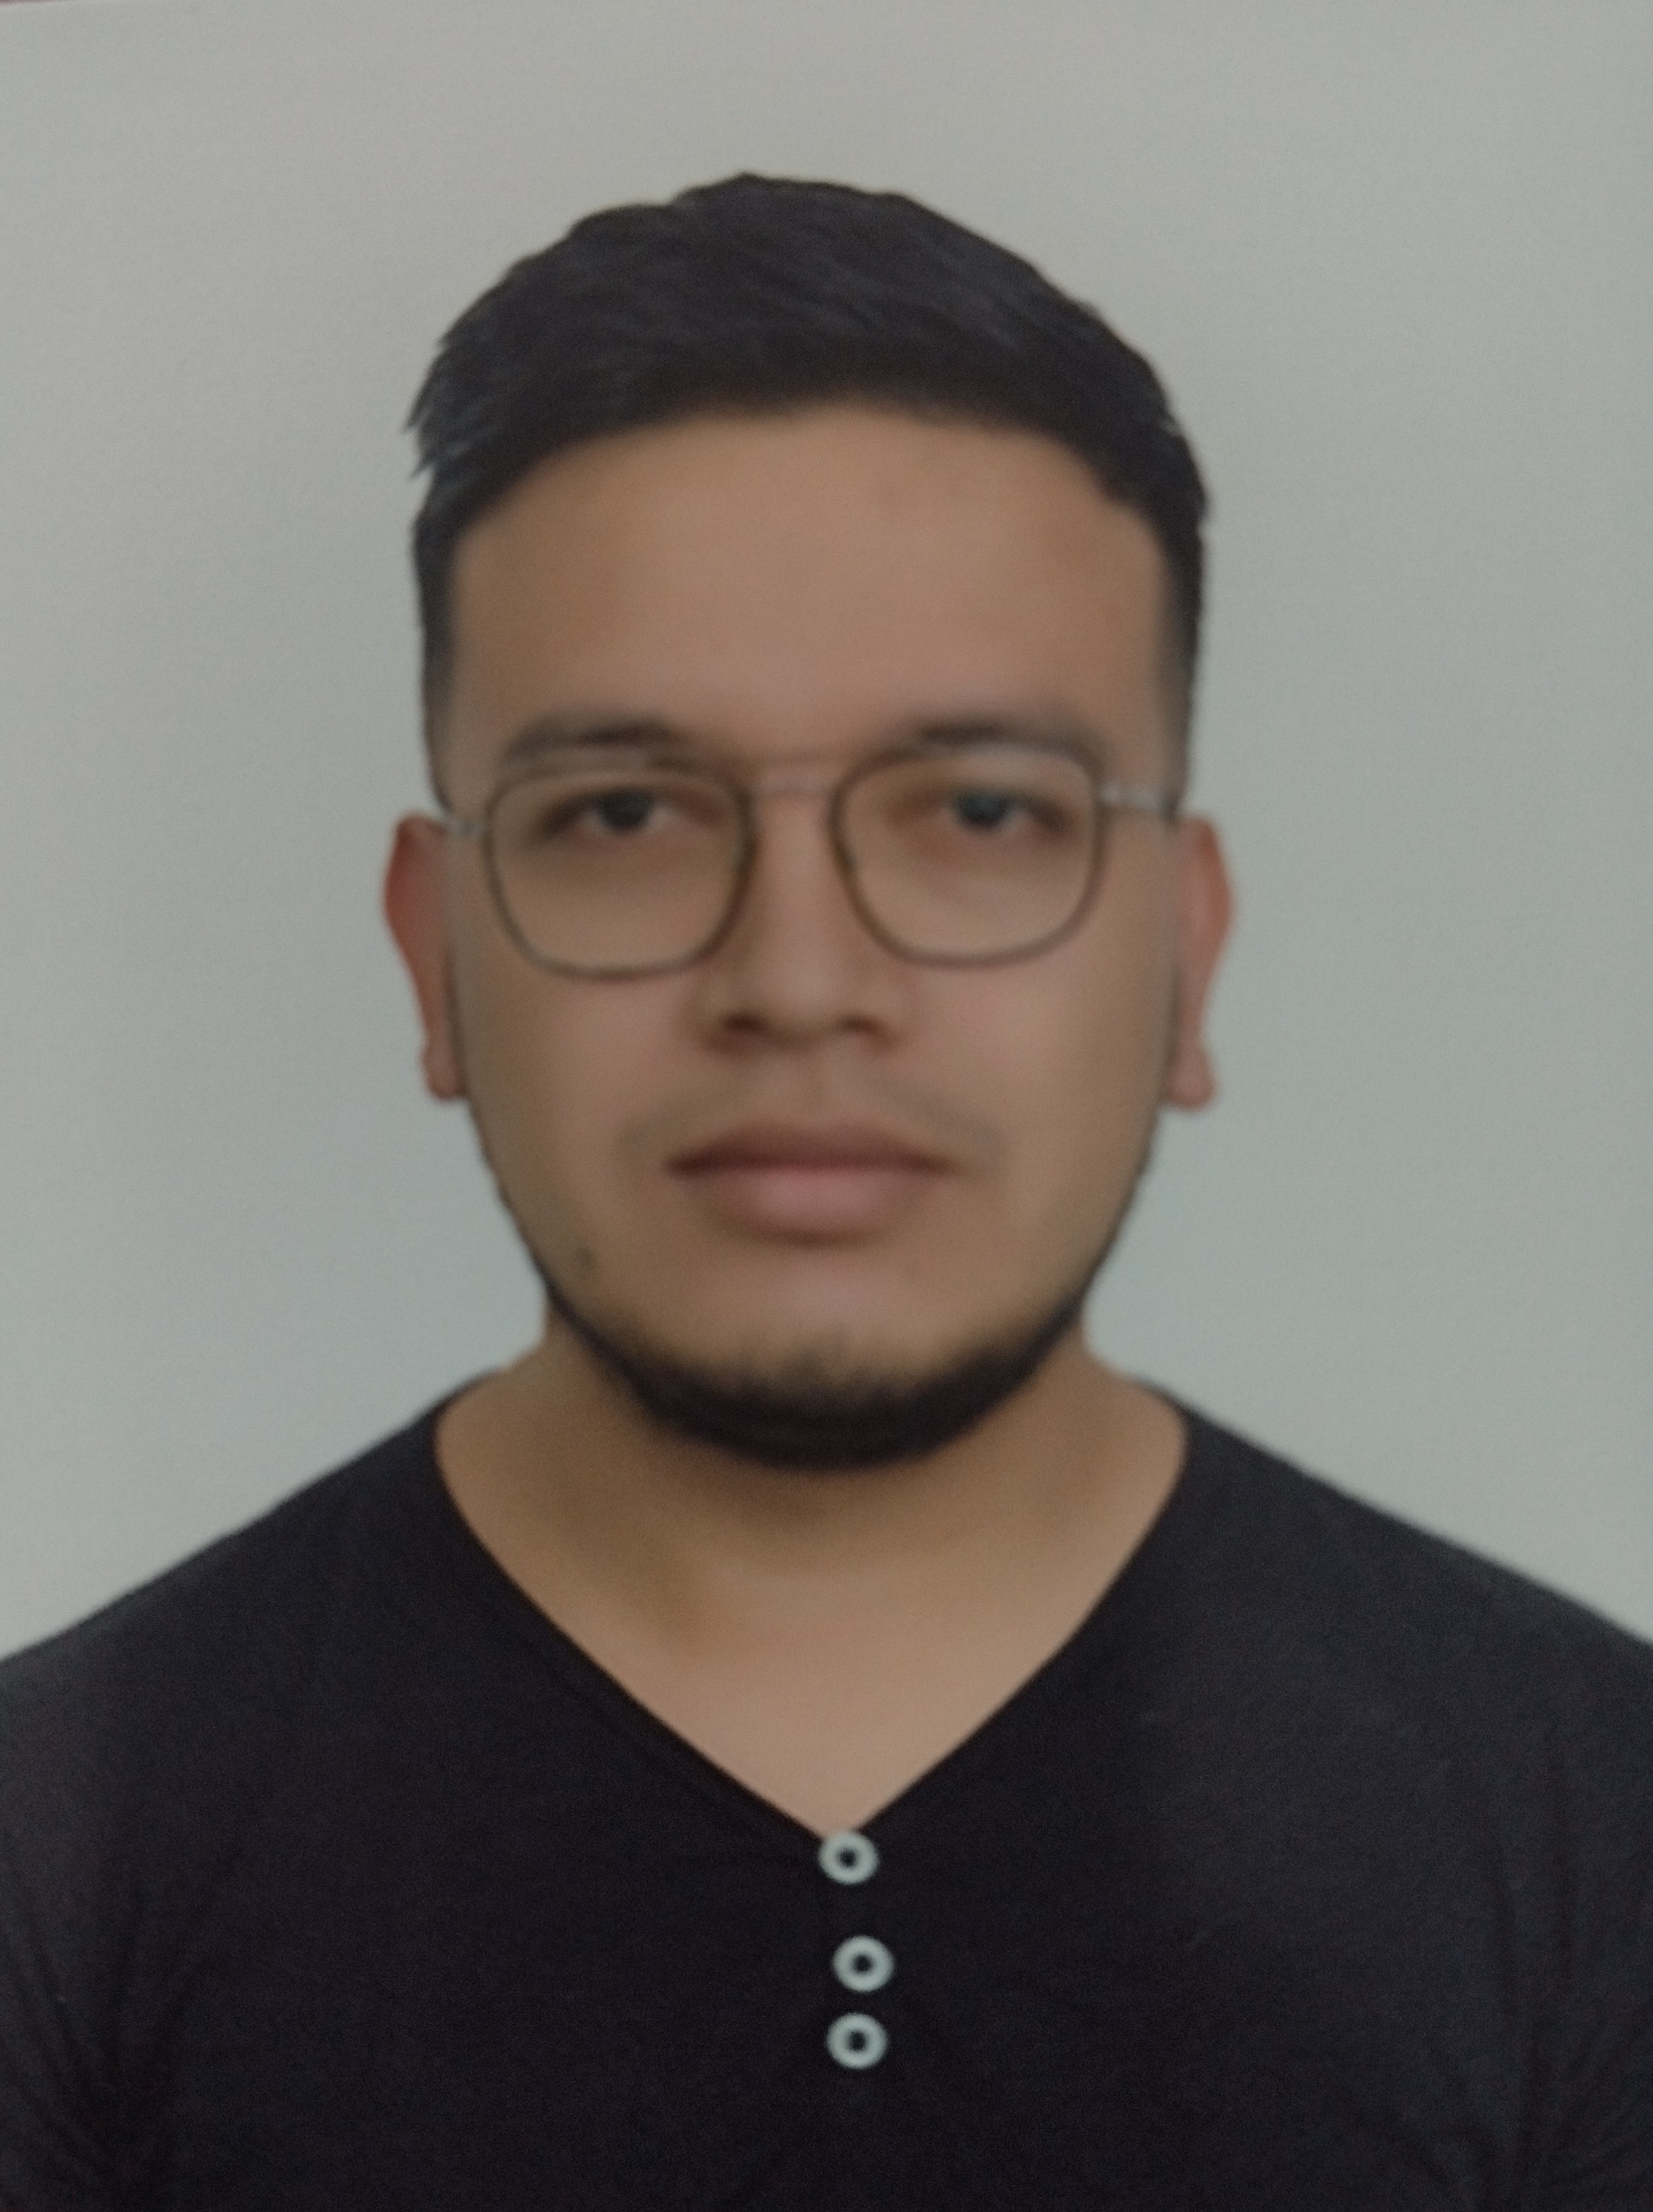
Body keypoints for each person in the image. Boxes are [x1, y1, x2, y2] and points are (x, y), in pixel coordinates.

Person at [1, 174, 1648, 2212]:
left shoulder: (1600, 1825)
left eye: (984, 809)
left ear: (1188, 950)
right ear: (434, 957)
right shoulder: (59, 1847)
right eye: (624, 810)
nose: (797, 978)